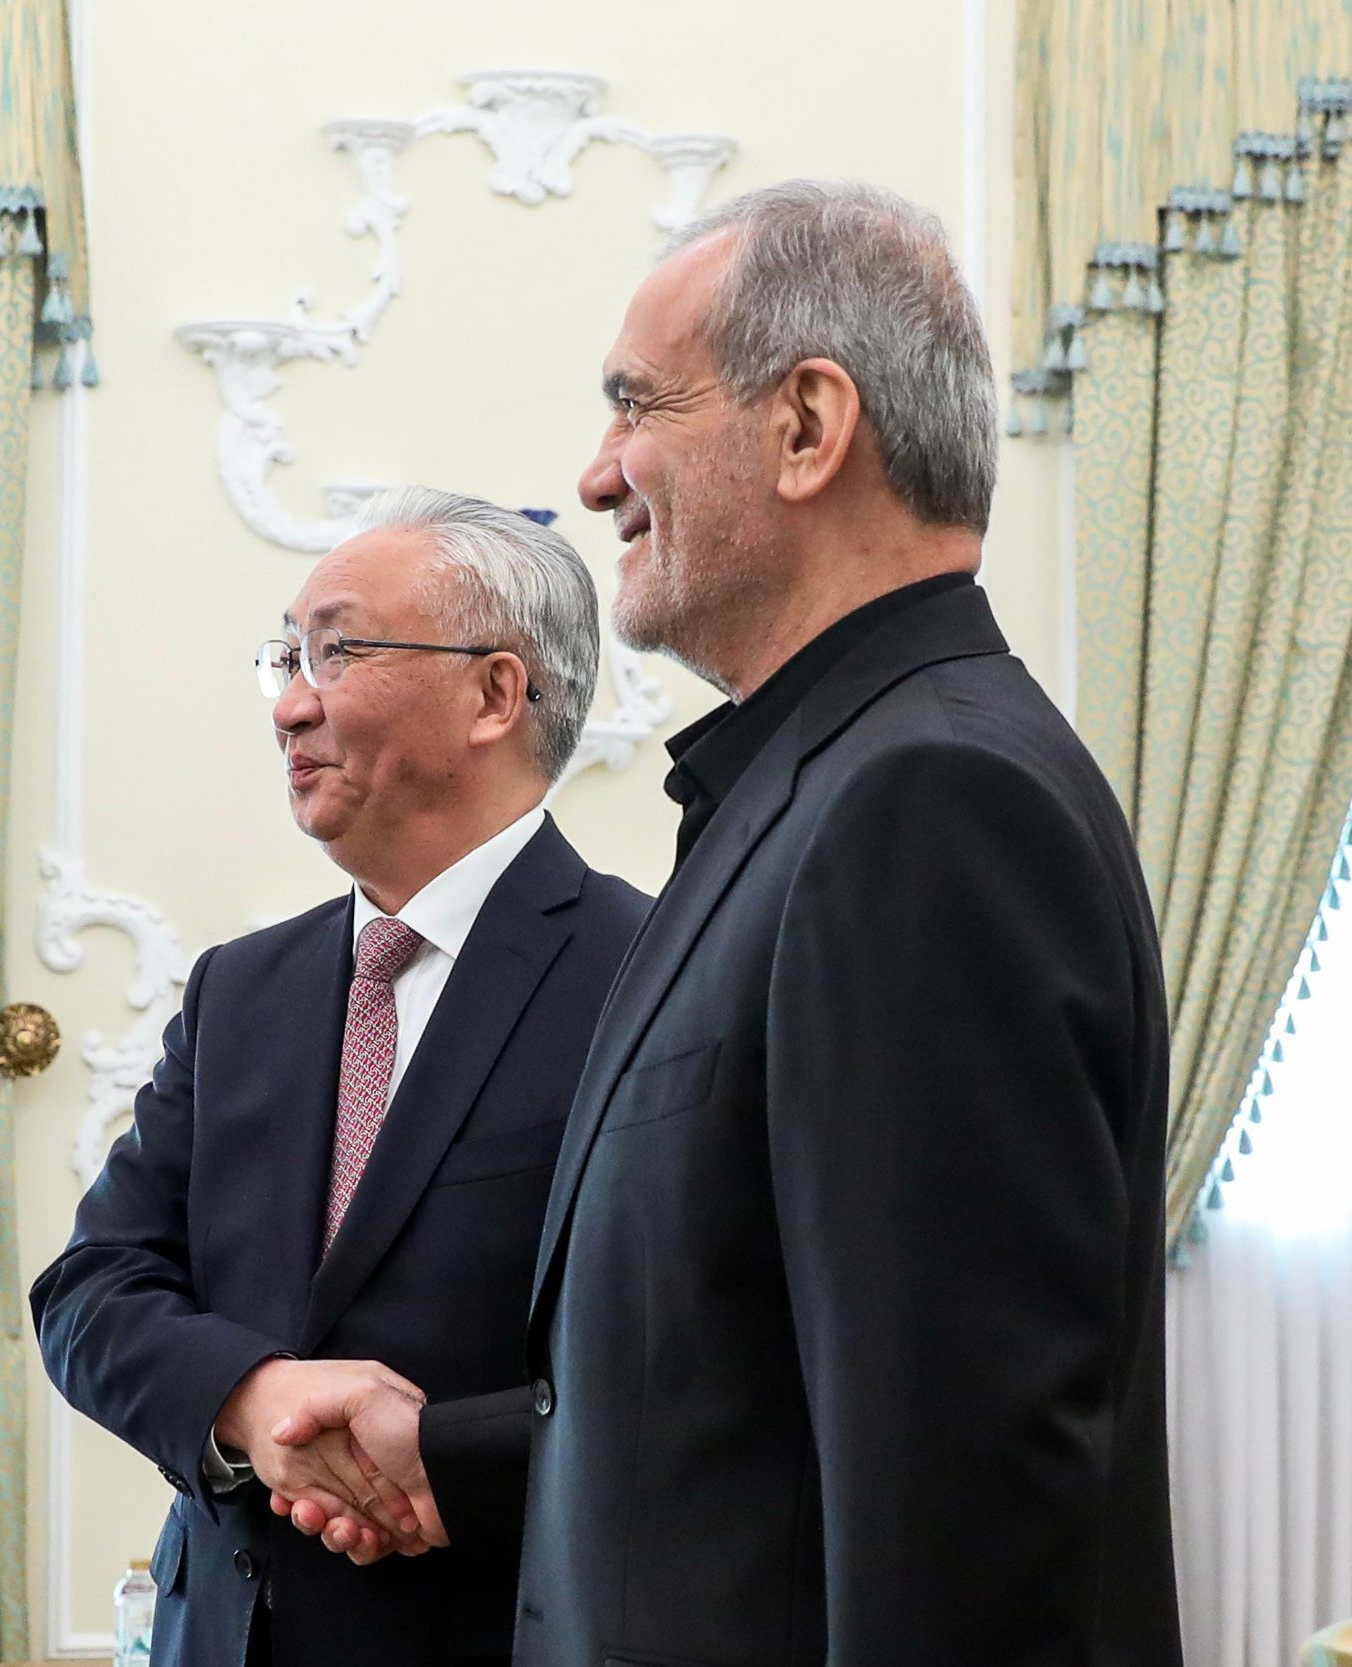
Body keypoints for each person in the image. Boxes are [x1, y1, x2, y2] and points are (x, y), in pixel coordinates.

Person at [272, 182, 1184, 1666]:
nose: (593, 475)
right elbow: (741, 1380)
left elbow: (967, 1507)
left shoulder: (928, 806)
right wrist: (451, 1448)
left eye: (635, 404)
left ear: (808, 427)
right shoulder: (821, 789)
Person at [29, 487, 649, 1667]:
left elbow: (688, 1367)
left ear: (494, 693)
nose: (290, 703)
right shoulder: (238, 990)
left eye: (339, 650)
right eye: (286, 656)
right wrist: (252, 1400)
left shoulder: (651, 976)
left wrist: (437, 1460)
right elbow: (90, 1287)